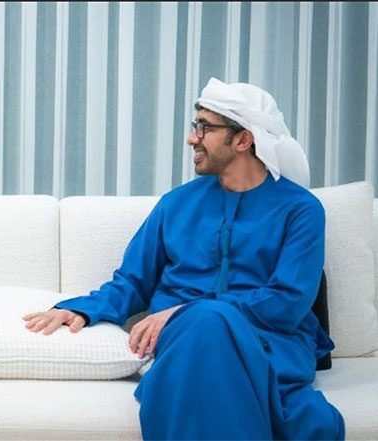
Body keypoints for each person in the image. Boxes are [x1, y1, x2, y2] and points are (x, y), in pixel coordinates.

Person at [24, 77, 345, 440]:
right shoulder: (175, 204)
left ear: (243, 140)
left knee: (209, 321)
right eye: (196, 126)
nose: (193, 138)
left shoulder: (300, 210)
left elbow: (287, 302)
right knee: (207, 328)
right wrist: (81, 309)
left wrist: (186, 311)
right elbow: (132, 281)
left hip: (270, 342)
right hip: (185, 341)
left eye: (205, 128)